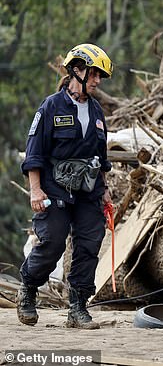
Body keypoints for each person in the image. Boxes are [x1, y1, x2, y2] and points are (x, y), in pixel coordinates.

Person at [18, 43, 114, 329]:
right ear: (77, 70)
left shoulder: (97, 112)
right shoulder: (50, 107)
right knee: (53, 243)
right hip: (54, 191)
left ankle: (78, 308)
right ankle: (29, 288)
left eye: (100, 76)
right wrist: (36, 190)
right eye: (94, 74)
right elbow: (34, 152)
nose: (97, 81)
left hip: (88, 192)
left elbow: (101, 157)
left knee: (88, 246)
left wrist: (105, 190)